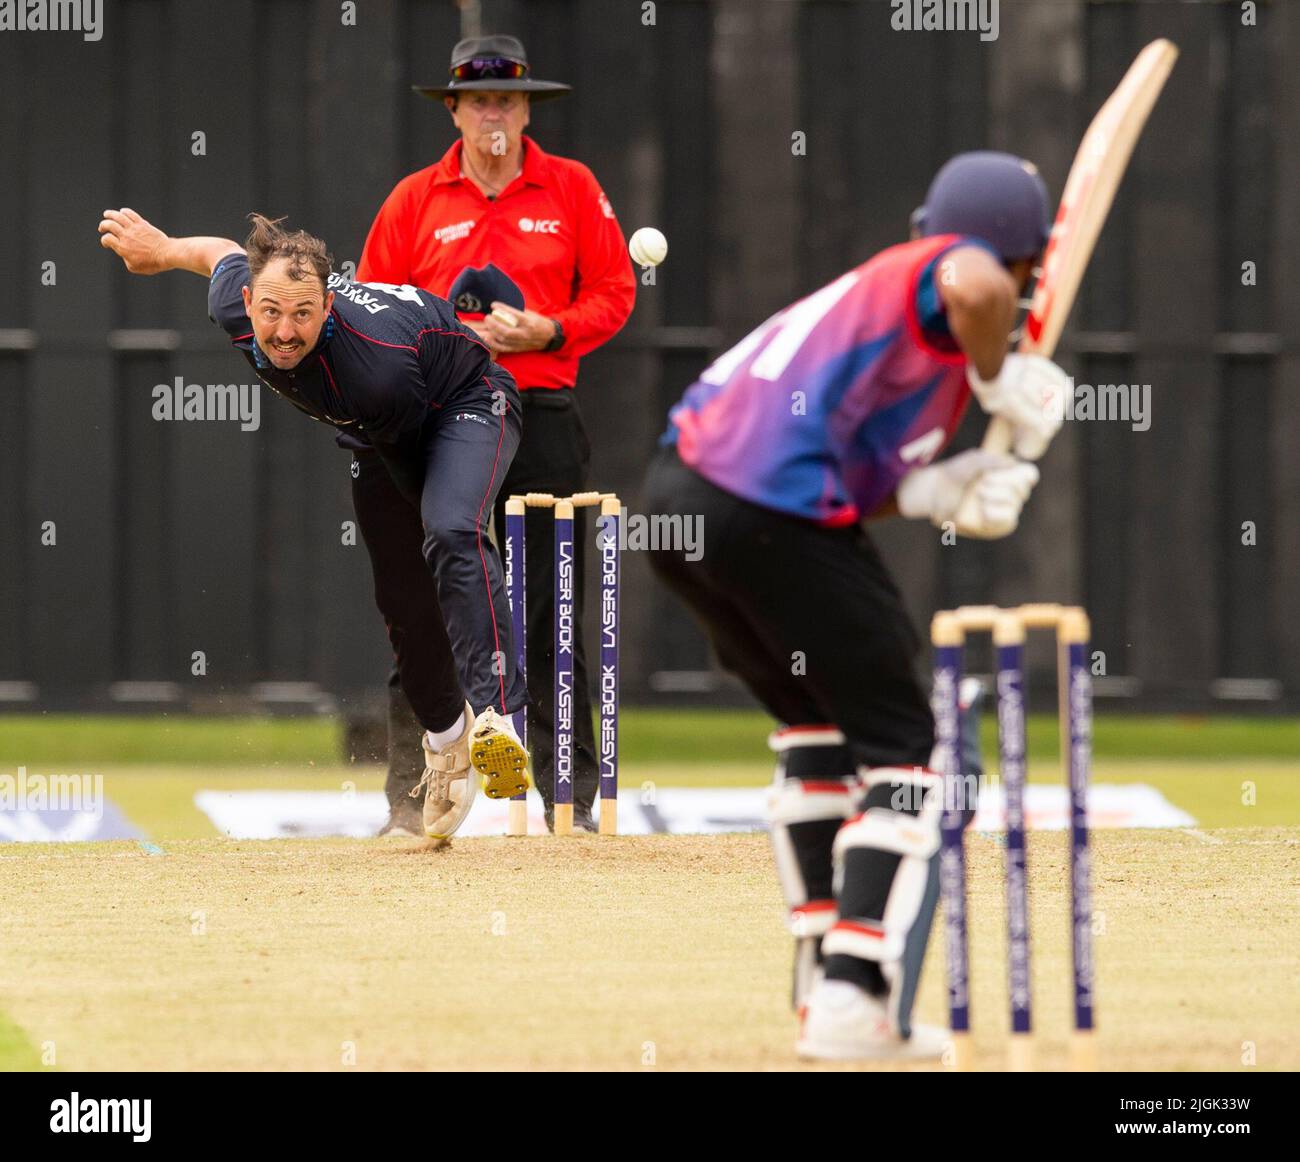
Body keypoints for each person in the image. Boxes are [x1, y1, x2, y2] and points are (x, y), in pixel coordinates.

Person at [642, 152, 1069, 1060]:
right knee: (908, 748)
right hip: (765, 509)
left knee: (819, 730)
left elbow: (858, 477)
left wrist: (935, 489)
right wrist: (1000, 377)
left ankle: (820, 987)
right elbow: (976, 281)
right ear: (1027, 256)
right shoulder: (951, 273)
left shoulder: (889, 331)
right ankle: (851, 991)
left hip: (679, 507)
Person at [98, 208, 531, 844]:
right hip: (373, 430)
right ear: (247, 300)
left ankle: (495, 718)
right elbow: (217, 248)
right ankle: (446, 746)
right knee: (402, 602)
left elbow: (419, 473)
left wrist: (447, 557)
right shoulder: (236, 302)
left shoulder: (375, 369)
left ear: (327, 306)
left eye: (303, 314)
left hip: (462, 403)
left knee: (448, 531)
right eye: (270, 311)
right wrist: (161, 249)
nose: (284, 331)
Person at [355, 34, 636, 834]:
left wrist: (548, 330)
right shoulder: (415, 199)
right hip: (437, 425)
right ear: (453, 110)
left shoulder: (572, 187)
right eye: (479, 100)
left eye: (508, 100)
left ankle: (570, 805)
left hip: (540, 410)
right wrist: (444, 348)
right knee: (424, 606)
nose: (495, 114)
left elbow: (615, 292)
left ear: (526, 108)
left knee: (553, 612)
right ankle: (416, 801)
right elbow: (370, 310)